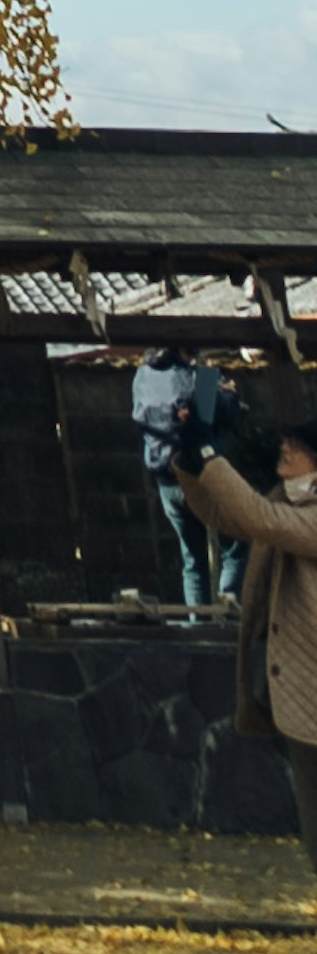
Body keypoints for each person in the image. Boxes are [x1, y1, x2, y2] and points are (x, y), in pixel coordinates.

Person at [182, 384, 317, 872]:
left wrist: (208, 453)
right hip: (303, 696)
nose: (287, 448)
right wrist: (190, 460)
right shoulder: (288, 499)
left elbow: (261, 520)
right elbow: (226, 514)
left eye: (300, 445)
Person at [135, 334, 234, 608]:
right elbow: (221, 418)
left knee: (193, 557)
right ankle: (229, 615)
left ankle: (198, 627)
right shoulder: (195, 377)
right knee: (235, 546)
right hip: (198, 474)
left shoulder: (141, 377)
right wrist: (226, 392)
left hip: (165, 477)